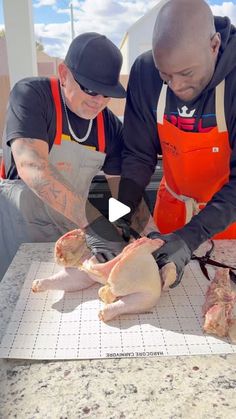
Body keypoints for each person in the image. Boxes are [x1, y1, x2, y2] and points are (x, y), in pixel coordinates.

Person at [117, 0, 236, 286]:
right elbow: (137, 155)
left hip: (230, 226)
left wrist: (190, 237)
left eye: (187, 73)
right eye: (165, 76)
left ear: (214, 45)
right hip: (171, 220)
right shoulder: (145, 71)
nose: (177, 86)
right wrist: (115, 213)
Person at [0, 32, 127, 280]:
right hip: (20, 235)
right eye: (90, 89)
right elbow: (31, 166)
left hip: (71, 238)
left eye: (107, 93)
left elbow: (120, 188)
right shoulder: (31, 96)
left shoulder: (109, 126)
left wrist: (132, 226)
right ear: (64, 74)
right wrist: (95, 223)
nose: (99, 101)